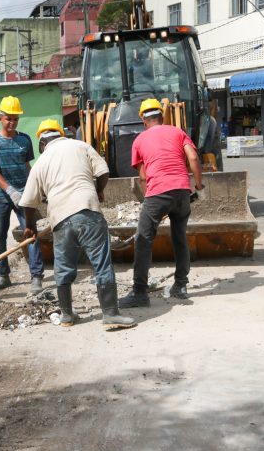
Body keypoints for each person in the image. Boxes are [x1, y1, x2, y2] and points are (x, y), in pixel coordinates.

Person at [21, 120, 135, 330]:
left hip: (60, 218)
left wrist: (30, 226)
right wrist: (99, 190)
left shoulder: (41, 162)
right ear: (61, 134)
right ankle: (110, 313)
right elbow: (103, 172)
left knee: (63, 267)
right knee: (101, 263)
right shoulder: (81, 146)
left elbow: (29, 201)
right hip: (88, 210)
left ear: (42, 143)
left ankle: (66, 315)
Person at [119, 99, 204, 308]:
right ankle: (181, 286)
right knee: (179, 238)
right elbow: (193, 158)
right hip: (183, 191)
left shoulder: (139, 140)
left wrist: (152, 200)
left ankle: (140, 292)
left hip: (158, 192)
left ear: (143, 119)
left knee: (143, 239)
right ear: (162, 116)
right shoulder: (177, 132)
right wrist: (199, 187)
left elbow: (143, 177)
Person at [0, 95, 45, 293]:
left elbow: (28, 167)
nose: (12, 122)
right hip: (2, 197)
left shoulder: (24, 140)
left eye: (15, 118)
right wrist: (10, 190)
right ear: (0, 117)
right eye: (8, 118)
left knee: (31, 233)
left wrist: (35, 189)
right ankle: (3, 275)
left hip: (24, 196)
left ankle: (36, 276)